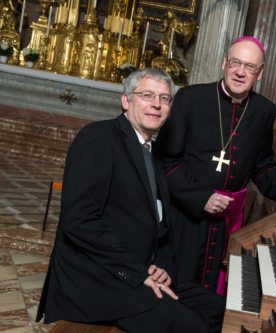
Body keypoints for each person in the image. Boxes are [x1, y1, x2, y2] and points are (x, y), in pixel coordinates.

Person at [36, 68, 224, 333]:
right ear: (126, 101)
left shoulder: (151, 152)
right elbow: (78, 221)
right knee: (188, 325)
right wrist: (139, 274)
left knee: (214, 307)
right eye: (147, 95)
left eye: (165, 98)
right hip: (98, 277)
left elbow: (163, 229)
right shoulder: (99, 138)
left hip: (139, 268)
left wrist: (164, 269)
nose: (156, 104)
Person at [156, 36, 276, 296]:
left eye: (250, 67)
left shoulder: (264, 110)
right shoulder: (191, 98)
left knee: (215, 294)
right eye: (235, 62)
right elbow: (167, 162)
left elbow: (263, 164)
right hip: (186, 219)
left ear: (260, 72)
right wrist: (202, 198)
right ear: (224, 63)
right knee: (177, 288)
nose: (240, 72)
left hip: (228, 223)